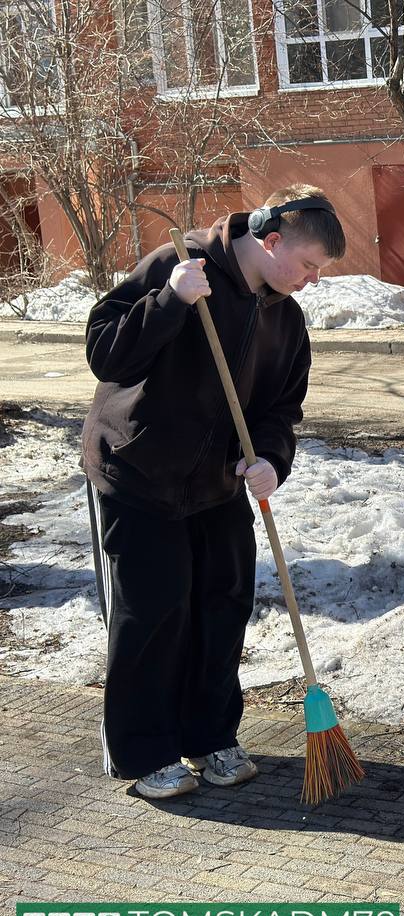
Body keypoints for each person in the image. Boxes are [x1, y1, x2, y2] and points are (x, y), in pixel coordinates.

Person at [82, 185, 345, 799]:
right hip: (138, 472)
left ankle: (209, 737)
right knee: (152, 612)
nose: (311, 281)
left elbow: (281, 409)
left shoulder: (285, 317)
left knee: (221, 608)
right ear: (271, 240)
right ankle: (145, 752)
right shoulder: (182, 264)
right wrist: (168, 302)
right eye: (308, 265)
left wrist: (271, 459)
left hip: (218, 484)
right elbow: (106, 354)